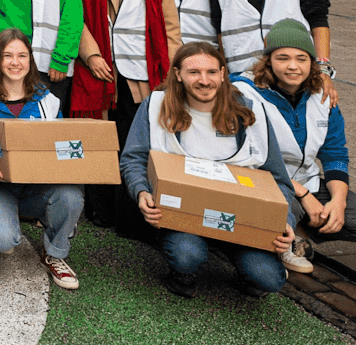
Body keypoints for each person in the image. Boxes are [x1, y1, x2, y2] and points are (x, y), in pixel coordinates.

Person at [121, 42, 298, 298]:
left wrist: (285, 222)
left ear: (223, 74)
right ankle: (183, 271)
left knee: (268, 280)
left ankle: (243, 268)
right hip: (185, 217)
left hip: (244, 219)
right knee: (186, 255)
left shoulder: (251, 110)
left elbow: (280, 181)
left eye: (212, 72)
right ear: (178, 75)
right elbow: (132, 159)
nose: (204, 81)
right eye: (194, 73)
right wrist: (141, 192)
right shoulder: (156, 104)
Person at [243, 20, 356, 269]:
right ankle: (282, 239)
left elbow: (335, 154)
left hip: (307, 182)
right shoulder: (246, 94)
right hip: (265, 183)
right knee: (276, 218)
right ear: (268, 61)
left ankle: (298, 231)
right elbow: (247, 160)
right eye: (282, 58)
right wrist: (302, 195)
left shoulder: (322, 96)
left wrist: (338, 202)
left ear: (312, 63)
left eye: (302, 58)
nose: (293, 66)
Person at [72, 0, 180, 228]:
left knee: (135, 141)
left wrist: (174, 73)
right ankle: (101, 210)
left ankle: (131, 213)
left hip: (141, 73)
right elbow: (73, 17)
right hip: (99, 68)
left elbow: (170, 25)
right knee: (100, 141)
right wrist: (90, 55)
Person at [0, 29, 84, 289]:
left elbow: (60, 147)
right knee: (1, 241)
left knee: (71, 196)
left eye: (22, 55)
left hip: (39, 186)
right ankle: (6, 219)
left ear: (30, 60)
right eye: (8, 56)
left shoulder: (48, 101)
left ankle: (55, 253)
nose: (15, 62)